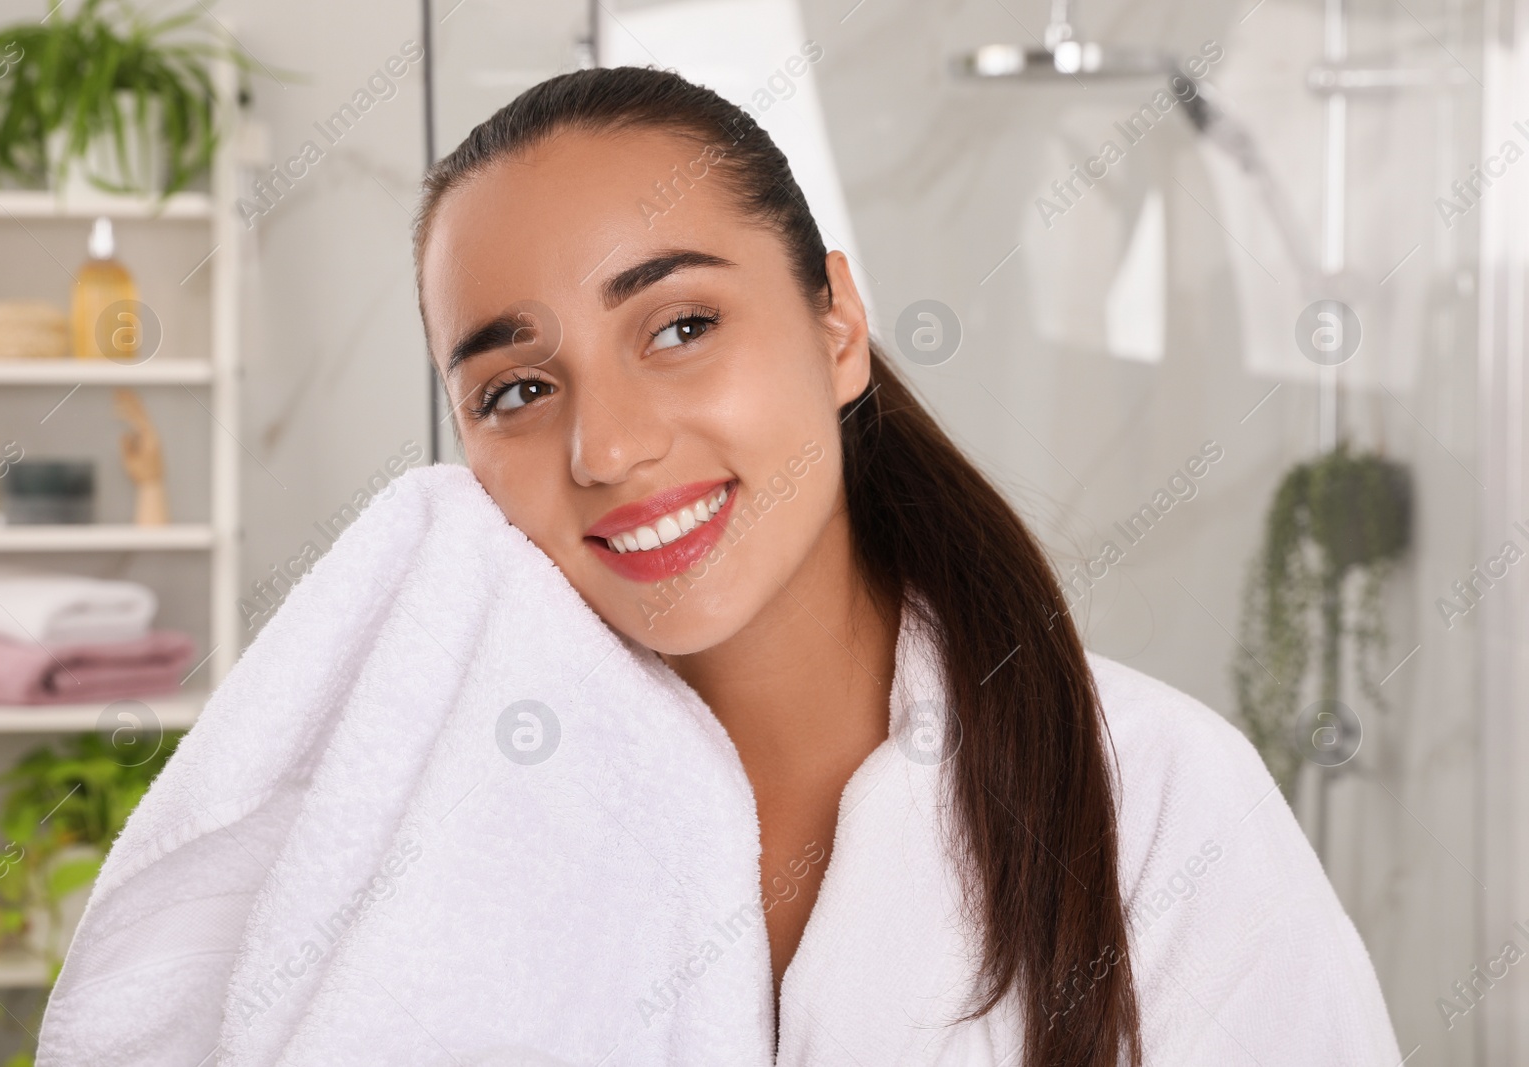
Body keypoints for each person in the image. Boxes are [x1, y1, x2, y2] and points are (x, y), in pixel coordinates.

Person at [411, 65, 1399, 1065]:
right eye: (516, 390)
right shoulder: (438, 834)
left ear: (837, 326)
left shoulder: (1159, 800)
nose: (607, 448)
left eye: (680, 326)